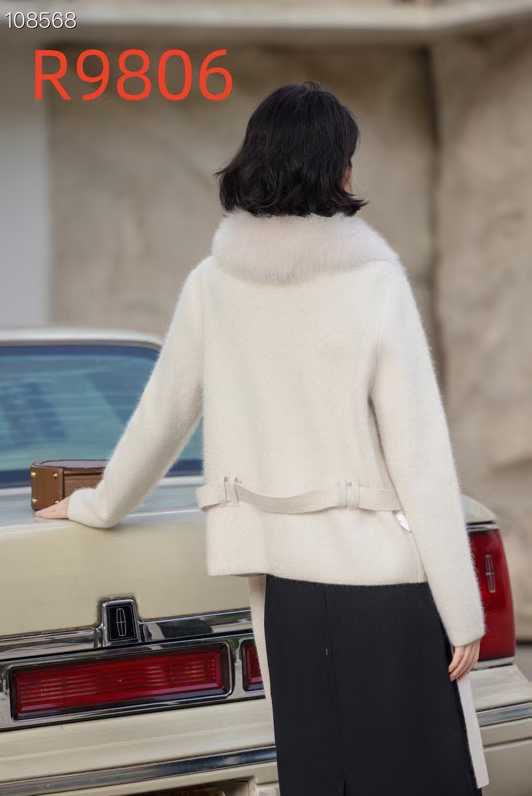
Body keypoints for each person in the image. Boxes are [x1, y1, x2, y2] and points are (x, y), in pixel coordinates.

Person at [36, 81, 488, 795]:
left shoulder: (212, 284)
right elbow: (421, 455)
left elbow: (160, 417)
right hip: (383, 583)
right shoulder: (372, 280)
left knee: (318, 778)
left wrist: (98, 506)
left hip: (288, 593)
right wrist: (462, 610)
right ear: (335, 167)